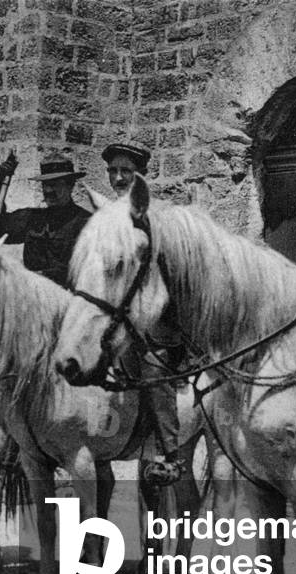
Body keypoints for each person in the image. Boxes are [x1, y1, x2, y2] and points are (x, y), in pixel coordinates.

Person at [102, 143, 185, 486]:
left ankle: (170, 451)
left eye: (126, 171)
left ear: (140, 175)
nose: (119, 177)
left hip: (154, 317)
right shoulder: (104, 214)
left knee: (152, 368)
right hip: (114, 313)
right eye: (113, 171)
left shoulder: (155, 214)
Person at [0, 152, 91, 286]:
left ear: (70, 185)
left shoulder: (86, 223)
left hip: (68, 300)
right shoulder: (32, 219)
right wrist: (1, 179)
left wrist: (41, 276)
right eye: (45, 184)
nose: (49, 190)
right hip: (33, 300)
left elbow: (85, 270)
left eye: (55, 184)